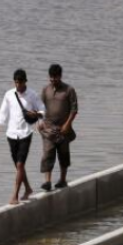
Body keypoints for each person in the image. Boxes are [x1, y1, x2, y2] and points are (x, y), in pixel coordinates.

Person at [0, 69, 46, 205]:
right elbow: (2, 113)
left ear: (25, 81)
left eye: (20, 83)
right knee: (18, 166)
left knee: (20, 164)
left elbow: (42, 109)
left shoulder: (32, 95)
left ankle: (15, 195)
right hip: (11, 134)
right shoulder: (9, 95)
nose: (18, 85)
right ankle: (28, 188)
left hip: (26, 133)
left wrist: (38, 116)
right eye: (16, 83)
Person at [39, 63, 78, 191]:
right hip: (48, 128)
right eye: (51, 77)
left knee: (63, 155)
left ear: (60, 76)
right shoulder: (45, 90)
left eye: (55, 77)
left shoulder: (69, 90)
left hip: (63, 129)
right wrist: (39, 122)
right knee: (47, 154)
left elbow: (74, 109)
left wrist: (68, 124)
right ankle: (48, 182)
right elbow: (39, 108)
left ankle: (62, 180)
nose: (53, 80)